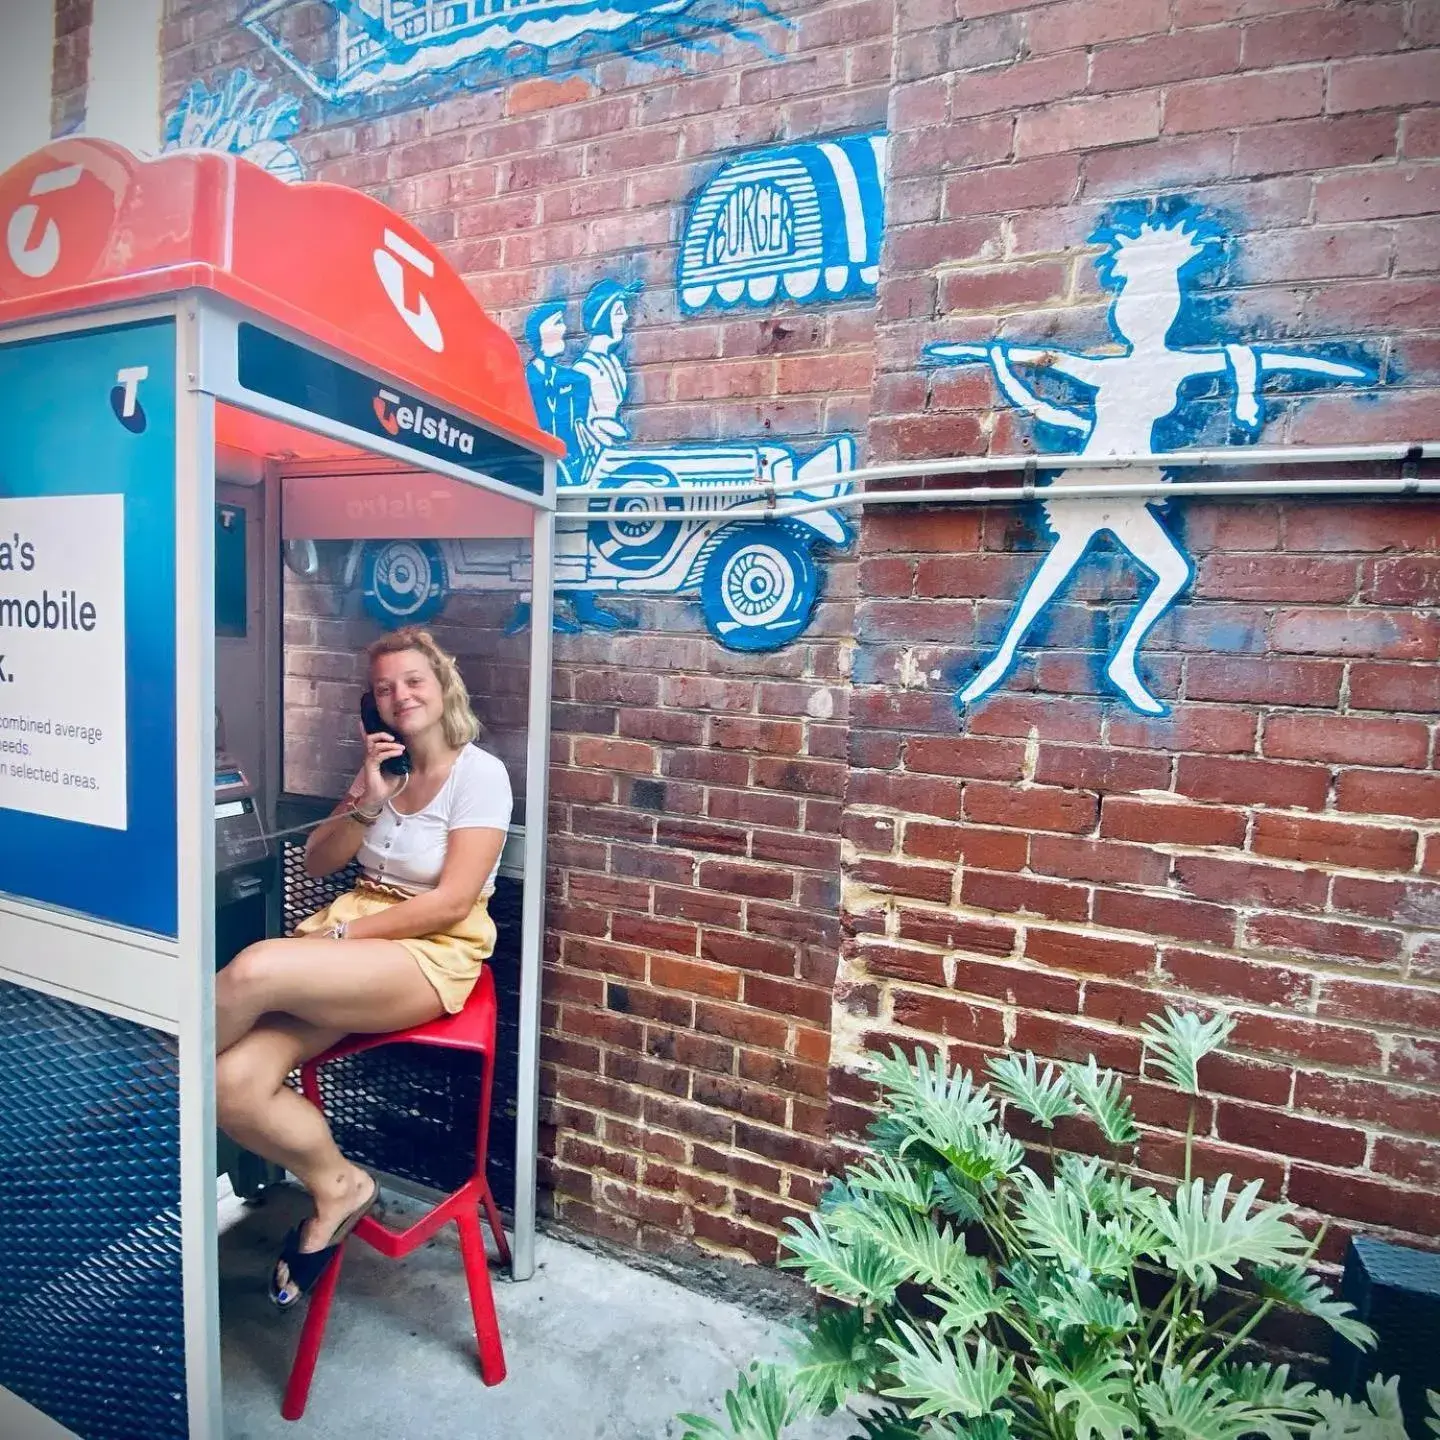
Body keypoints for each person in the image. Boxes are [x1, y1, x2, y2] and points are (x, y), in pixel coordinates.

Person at [214, 626, 512, 1309]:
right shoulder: (382, 772)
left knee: (257, 968)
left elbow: (452, 901)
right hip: (355, 939)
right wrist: (367, 797)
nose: (399, 695)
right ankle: (338, 1185)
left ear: (442, 686)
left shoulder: (480, 774)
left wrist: (345, 936)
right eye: (384, 688)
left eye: (412, 681)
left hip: (426, 952)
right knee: (231, 1084)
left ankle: (142, 1092)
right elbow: (319, 860)